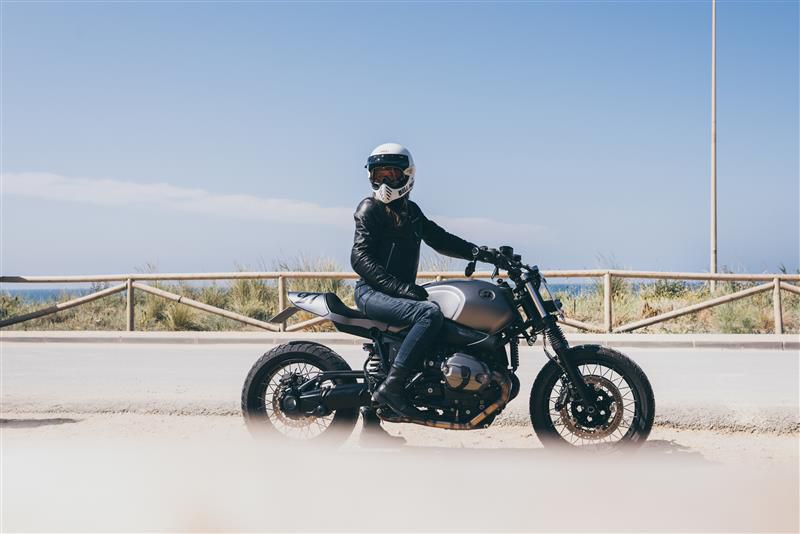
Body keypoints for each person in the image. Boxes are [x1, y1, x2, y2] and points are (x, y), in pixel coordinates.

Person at [351, 143, 482, 446]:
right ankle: (394, 388)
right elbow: (360, 258)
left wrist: (480, 253)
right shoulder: (370, 208)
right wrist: (401, 289)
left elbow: (441, 239)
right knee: (428, 313)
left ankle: (371, 427)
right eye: (379, 175)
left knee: (424, 325)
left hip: (392, 295)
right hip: (371, 293)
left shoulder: (411, 212)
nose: (385, 181)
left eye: (390, 173)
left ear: (407, 175)